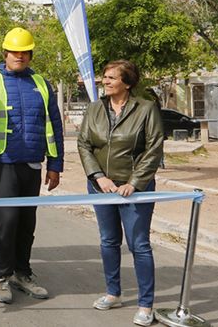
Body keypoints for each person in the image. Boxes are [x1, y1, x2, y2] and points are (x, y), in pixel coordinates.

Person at [0, 27, 64, 304]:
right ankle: (1, 276)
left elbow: (54, 126)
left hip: (31, 163)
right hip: (0, 163)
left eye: (24, 52)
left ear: (30, 54)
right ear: (5, 53)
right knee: (5, 222)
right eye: (14, 51)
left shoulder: (42, 84)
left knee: (26, 223)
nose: (19, 56)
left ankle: (23, 273)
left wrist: (56, 165)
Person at [78, 60, 163, 327]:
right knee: (108, 241)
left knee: (139, 245)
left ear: (127, 82)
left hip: (134, 189)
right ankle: (113, 292)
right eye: (105, 76)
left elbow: (154, 148)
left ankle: (145, 304)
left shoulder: (146, 109)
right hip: (100, 187)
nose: (106, 81)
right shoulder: (94, 108)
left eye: (112, 77)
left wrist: (135, 183)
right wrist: (98, 177)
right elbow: (84, 144)